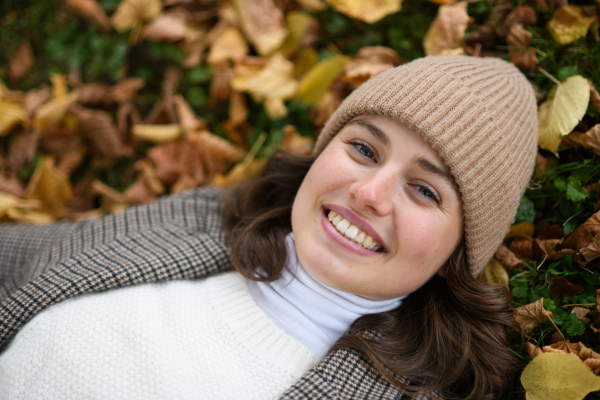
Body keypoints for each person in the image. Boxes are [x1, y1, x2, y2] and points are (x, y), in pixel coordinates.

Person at [0, 55, 538, 399]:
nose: (369, 194)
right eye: (364, 148)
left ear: (455, 255)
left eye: (424, 190)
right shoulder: (198, 220)